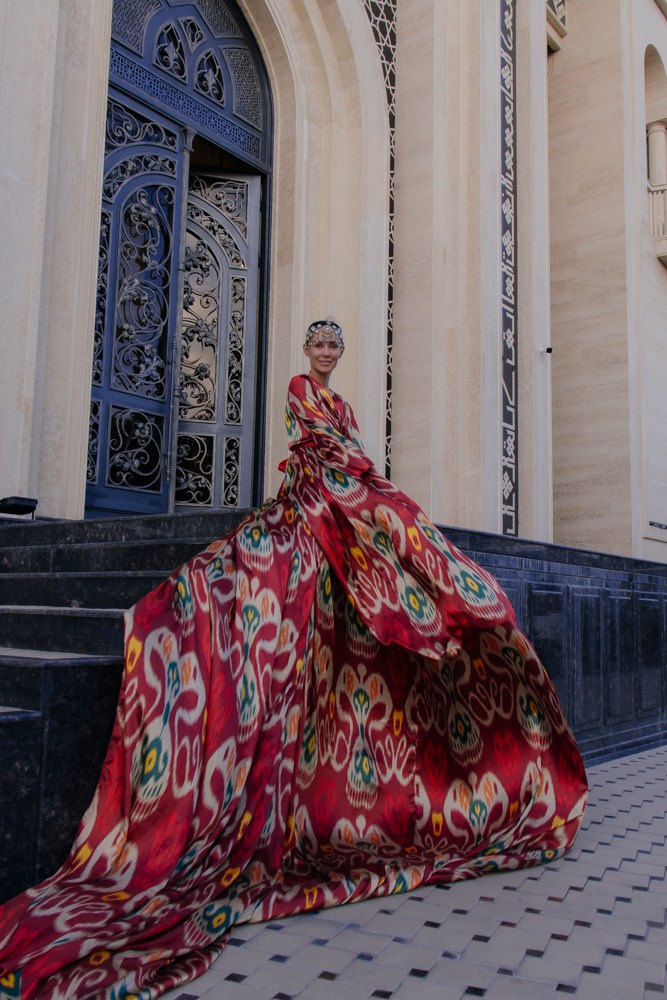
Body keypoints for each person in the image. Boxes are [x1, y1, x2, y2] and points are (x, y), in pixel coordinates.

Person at [0, 319, 587, 999]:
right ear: (307, 352)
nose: (327, 354)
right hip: (316, 501)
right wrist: (360, 484)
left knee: (403, 544)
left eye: (336, 346)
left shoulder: (341, 403)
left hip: (344, 496)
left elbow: (352, 451)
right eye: (320, 346)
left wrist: (367, 484)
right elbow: (328, 453)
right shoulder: (300, 392)